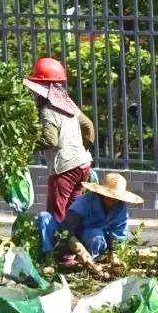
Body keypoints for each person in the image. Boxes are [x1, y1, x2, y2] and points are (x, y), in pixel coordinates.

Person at [24, 57, 95, 222]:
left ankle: (57, 246)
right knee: (74, 211)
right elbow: (89, 126)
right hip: (83, 165)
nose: (34, 95)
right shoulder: (69, 106)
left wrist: (26, 145)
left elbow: (50, 140)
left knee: (56, 213)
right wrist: (80, 149)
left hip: (65, 169)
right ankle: (73, 244)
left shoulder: (48, 111)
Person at [38, 172, 143, 277]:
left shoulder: (121, 209)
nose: (112, 200)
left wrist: (115, 257)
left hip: (97, 244)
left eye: (116, 198)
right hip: (73, 240)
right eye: (109, 196)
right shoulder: (85, 202)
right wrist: (81, 251)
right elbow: (66, 230)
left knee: (96, 236)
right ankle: (49, 260)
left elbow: (119, 238)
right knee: (44, 217)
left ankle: (91, 264)